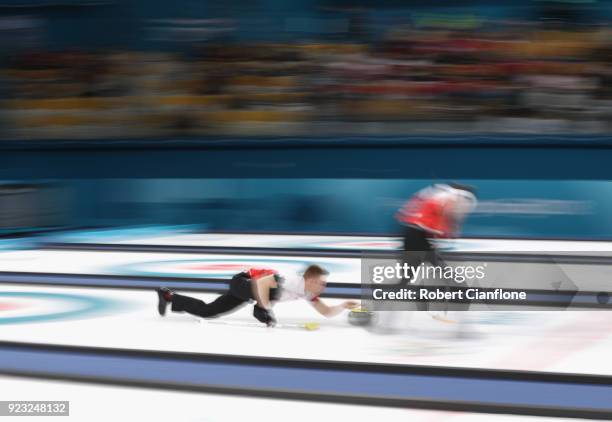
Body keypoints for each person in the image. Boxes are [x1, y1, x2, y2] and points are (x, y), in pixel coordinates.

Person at [156, 264, 358, 326]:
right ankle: (258, 308)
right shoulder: (291, 280)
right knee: (271, 290)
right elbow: (261, 283)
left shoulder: (306, 292)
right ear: (311, 280)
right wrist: (264, 308)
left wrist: (343, 305)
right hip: (243, 282)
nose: (324, 287)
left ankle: (169, 297)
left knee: (208, 311)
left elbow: (326, 311)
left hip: (248, 291)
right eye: (322, 283)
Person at [395, 183, 477, 312]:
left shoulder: (438, 194)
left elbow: (437, 221)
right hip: (415, 235)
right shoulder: (449, 198)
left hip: (412, 234)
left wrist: (443, 234)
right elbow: (445, 221)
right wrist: (448, 233)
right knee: (434, 268)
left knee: (410, 276)